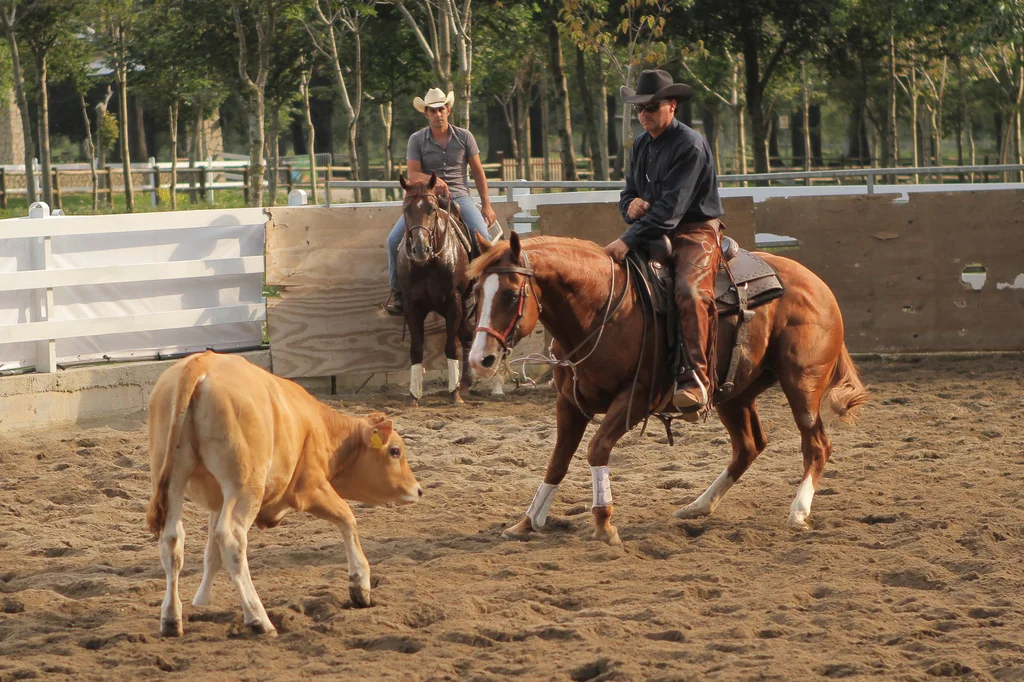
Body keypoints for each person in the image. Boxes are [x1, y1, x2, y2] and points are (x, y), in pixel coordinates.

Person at [605, 69, 725, 413]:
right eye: (640, 108)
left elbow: (671, 210)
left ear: (671, 106)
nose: (644, 114)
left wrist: (628, 237)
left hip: (695, 230)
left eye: (652, 107)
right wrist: (630, 205)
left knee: (689, 291)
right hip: (653, 229)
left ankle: (697, 378)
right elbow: (628, 192)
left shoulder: (690, 145)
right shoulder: (641, 144)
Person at [385, 87, 498, 315]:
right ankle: (397, 291)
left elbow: (477, 172)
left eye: (441, 109)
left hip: (459, 195)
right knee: (393, 239)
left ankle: (483, 288)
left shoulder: (465, 136)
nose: (438, 114)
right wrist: (431, 181)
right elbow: (413, 173)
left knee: (482, 237)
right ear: (426, 113)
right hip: (427, 196)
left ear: (448, 110)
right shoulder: (416, 139)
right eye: (433, 110)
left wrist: (486, 204)